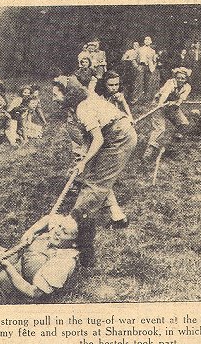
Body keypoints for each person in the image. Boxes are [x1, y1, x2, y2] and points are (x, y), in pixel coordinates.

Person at [52, 77, 137, 266]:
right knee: (92, 177)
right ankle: (117, 217)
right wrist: (83, 160)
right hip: (112, 134)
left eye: (55, 94)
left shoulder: (83, 108)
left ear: (68, 95)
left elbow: (97, 139)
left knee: (94, 185)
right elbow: (88, 139)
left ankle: (79, 239)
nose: (53, 98)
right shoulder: (77, 106)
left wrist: (83, 162)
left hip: (118, 138)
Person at [0, 214, 79, 304]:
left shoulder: (64, 262)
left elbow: (33, 292)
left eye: (65, 232)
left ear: (74, 243)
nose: (57, 231)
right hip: (10, 257)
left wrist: (7, 266)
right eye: (59, 226)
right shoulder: (64, 227)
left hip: (13, 281)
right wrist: (31, 232)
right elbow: (49, 218)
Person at [143, 67, 192, 159]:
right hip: (159, 106)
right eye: (178, 78)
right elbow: (164, 95)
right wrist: (160, 105)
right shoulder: (170, 83)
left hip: (172, 106)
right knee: (160, 129)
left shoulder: (187, 87)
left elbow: (181, 99)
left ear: (186, 79)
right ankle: (148, 152)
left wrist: (175, 104)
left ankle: (172, 147)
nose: (180, 80)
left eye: (183, 78)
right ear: (175, 77)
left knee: (183, 124)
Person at [136, 36, 157, 103]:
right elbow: (136, 58)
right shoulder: (140, 49)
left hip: (149, 68)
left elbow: (154, 61)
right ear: (144, 41)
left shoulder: (153, 51)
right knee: (140, 83)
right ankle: (138, 99)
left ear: (151, 42)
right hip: (141, 66)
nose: (147, 41)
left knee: (148, 83)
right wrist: (137, 66)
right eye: (146, 39)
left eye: (148, 40)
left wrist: (153, 67)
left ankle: (147, 100)